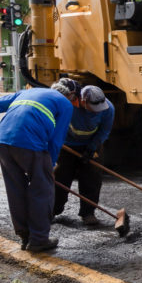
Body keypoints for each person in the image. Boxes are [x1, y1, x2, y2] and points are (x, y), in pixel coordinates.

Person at [0, 80, 76, 253]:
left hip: (3, 141)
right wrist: (51, 167)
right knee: (42, 190)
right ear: (69, 95)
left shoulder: (26, 92)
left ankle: (25, 236)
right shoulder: (65, 104)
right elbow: (56, 140)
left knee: (15, 189)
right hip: (30, 142)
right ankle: (38, 239)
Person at [53, 85, 115, 226]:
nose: (97, 111)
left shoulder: (108, 108)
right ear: (83, 101)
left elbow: (104, 131)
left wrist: (92, 148)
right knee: (61, 177)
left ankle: (88, 213)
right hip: (67, 145)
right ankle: (52, 210)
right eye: (93, 107)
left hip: (91, 144)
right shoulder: (69, 106)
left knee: (92, 178)